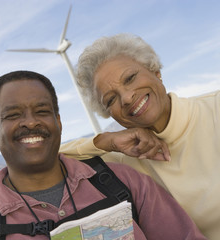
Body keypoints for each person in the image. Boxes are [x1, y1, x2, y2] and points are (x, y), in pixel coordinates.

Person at [0, 70, 205, 240]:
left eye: (42, 111)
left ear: (58, 121)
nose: (31, 122)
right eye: (13, 115)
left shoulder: (125, 183)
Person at [60, 33, 220, 239]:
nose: (126, 98)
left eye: (130, 78)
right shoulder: (124, 159)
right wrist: (105, 141)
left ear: (155, 71)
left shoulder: (215, 108)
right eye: (111, 99)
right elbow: (36, 158)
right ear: (109, 113)